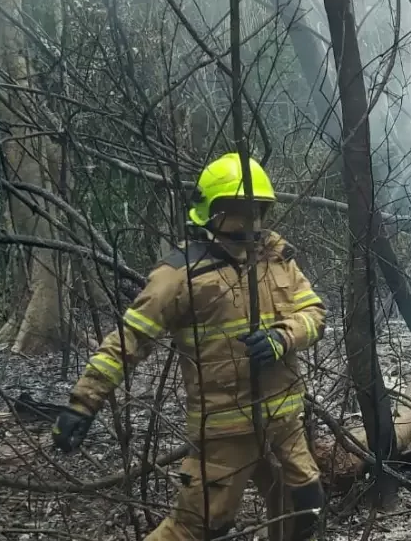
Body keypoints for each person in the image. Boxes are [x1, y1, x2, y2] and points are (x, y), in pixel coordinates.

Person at [51, 153, 327, 541]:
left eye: (255, 210)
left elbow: (313, 313)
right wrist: (83, 403)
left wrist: (284, 336)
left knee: (305, 506)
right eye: (236, 211)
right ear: (211, 212)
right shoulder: (180, 274)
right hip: (226, 428)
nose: (248, 222)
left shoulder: (277, 259)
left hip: (284, 422)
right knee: (195, 528)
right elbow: (129, 339)